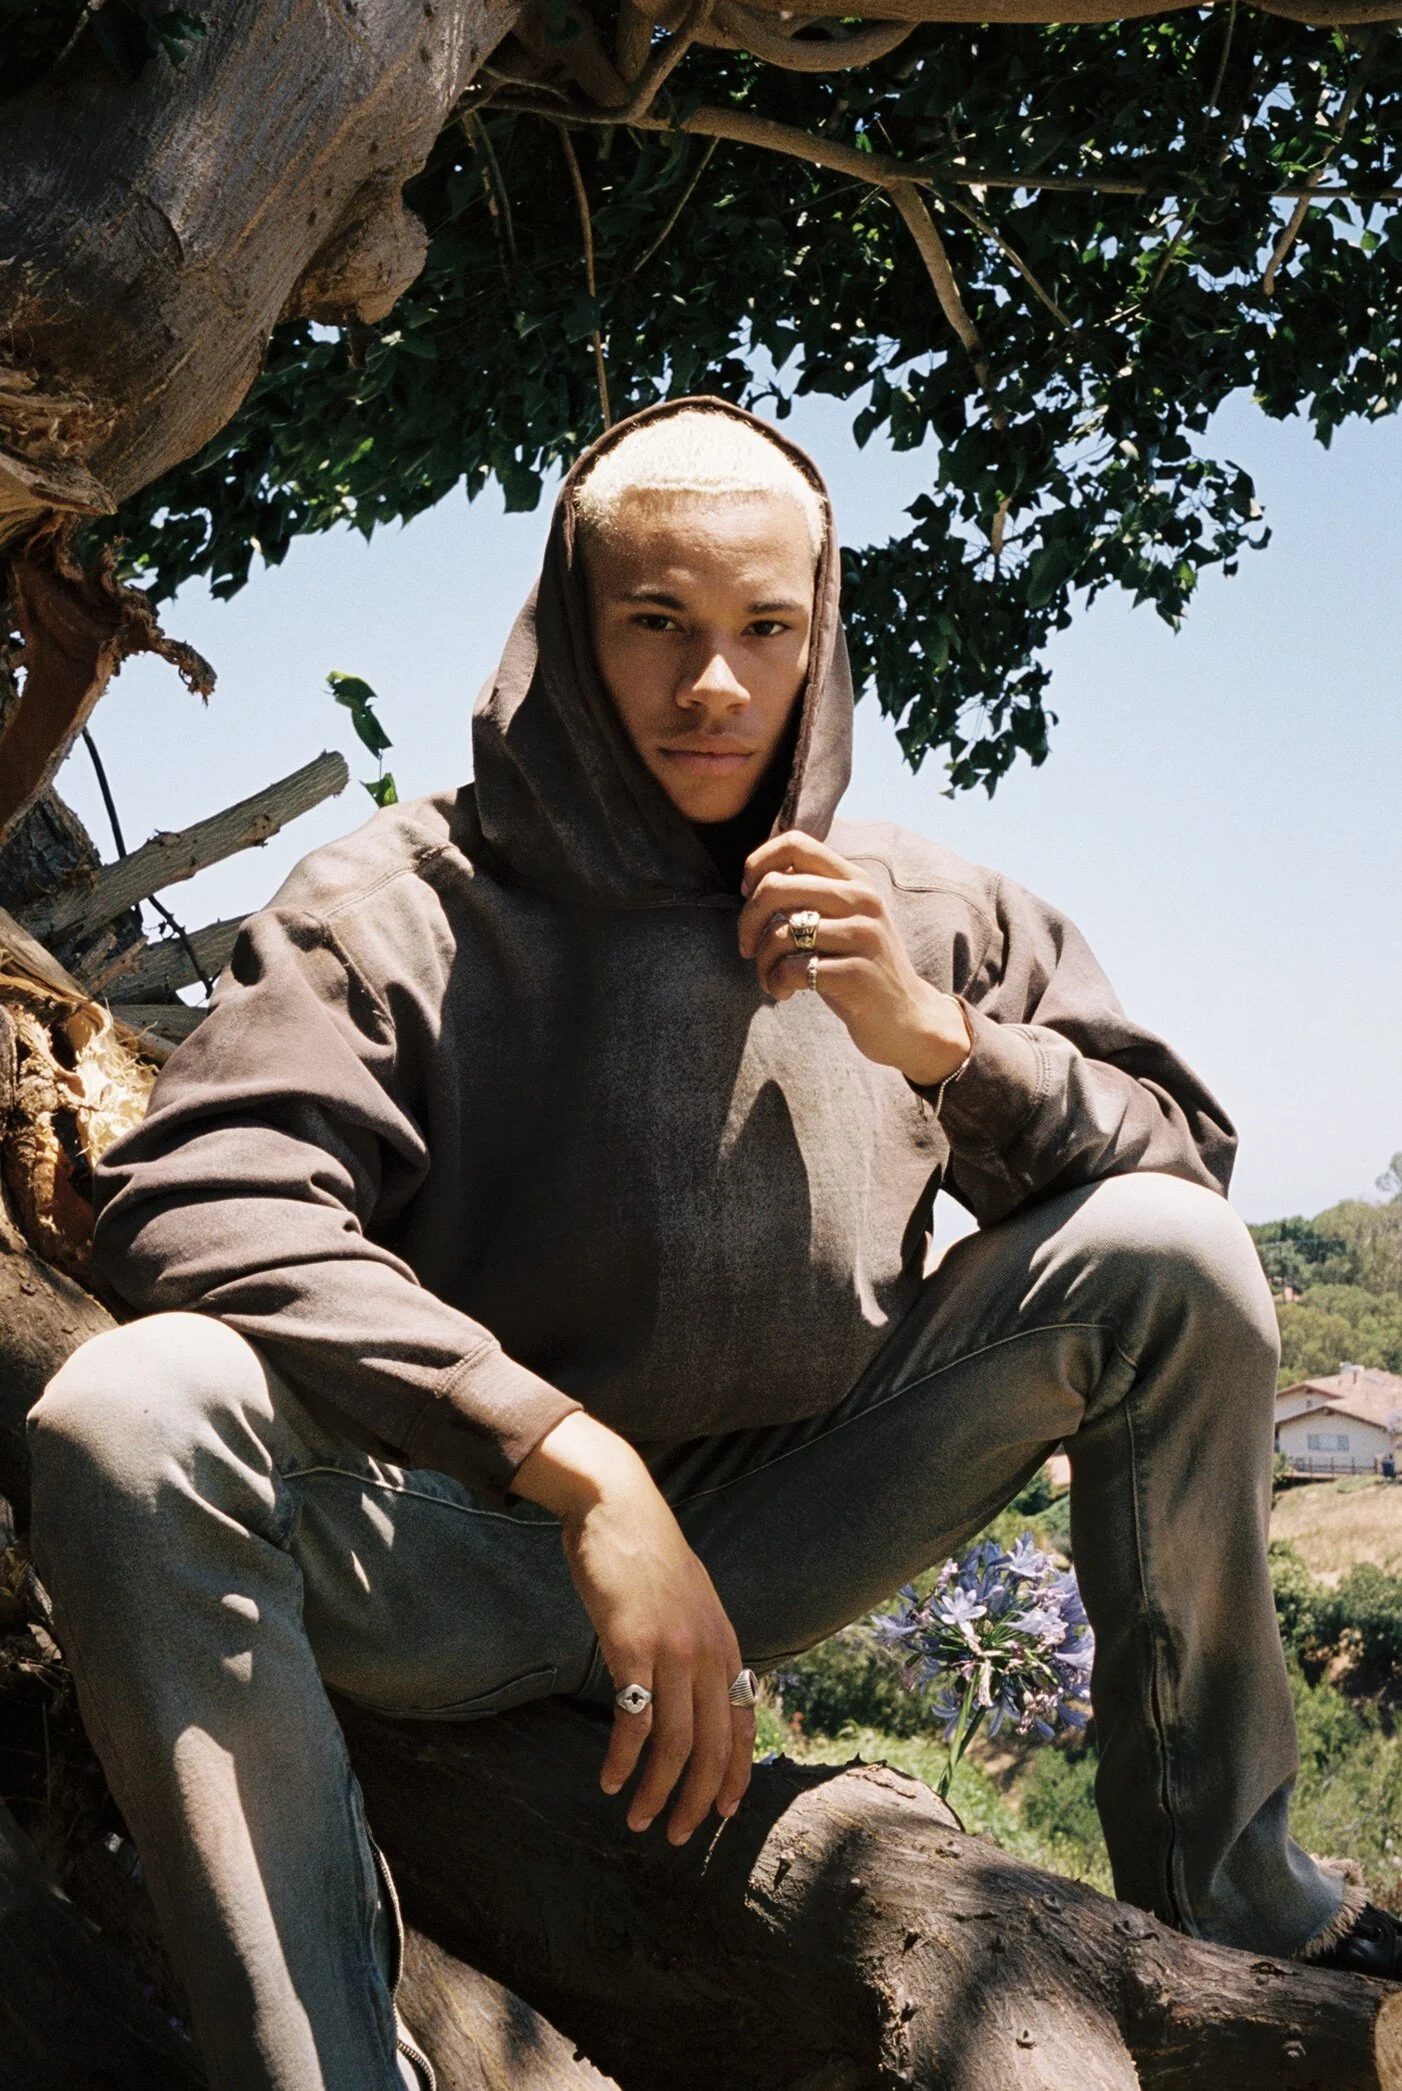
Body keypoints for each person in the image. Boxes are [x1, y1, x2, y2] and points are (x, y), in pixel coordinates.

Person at [28, 399, 1399, 2091]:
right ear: (567, 625)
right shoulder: (398, 903)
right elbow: (197, 1198)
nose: (714, 685)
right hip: (451, 1545)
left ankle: (1234, 1914)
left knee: (1166, 1256)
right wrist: (570, 1461)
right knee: (127, 1408)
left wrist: (939, 1043)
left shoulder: (924, 908)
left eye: (765, 628)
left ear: (820, 641)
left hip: (785, 1523)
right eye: (656, 623)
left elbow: (1186, 1174)